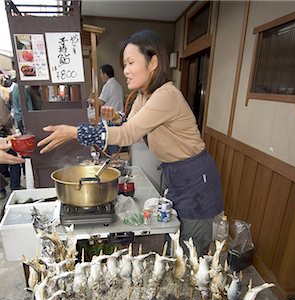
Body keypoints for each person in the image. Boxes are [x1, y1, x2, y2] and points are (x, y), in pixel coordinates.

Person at [37, 29, 223, 256]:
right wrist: (116, 118)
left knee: (192, 251)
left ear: (153, 62)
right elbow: (132, 128)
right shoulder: (143, 95)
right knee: (174, 236)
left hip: (195, 179)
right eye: (124, 64)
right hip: (174, 174)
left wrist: (75, 132)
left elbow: (127, 134)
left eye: (131, 62)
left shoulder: (167, 95)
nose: (125, 70)